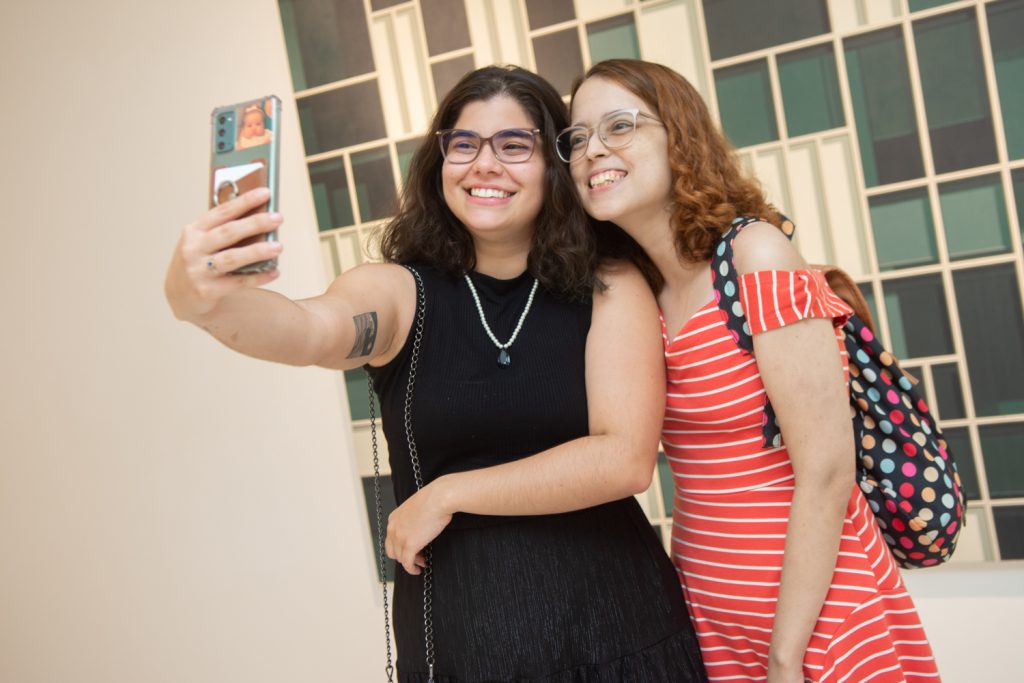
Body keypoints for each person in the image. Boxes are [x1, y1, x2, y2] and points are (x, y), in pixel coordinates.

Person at [165, 65, 706, 682]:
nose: (484, 163)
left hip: (623, 634)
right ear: (439, 160)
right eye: (464, 143)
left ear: (554, 167)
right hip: (463, 647)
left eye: (514, 145)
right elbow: (309, 330)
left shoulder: (610, 283)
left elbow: (623, 460)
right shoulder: (397, 293)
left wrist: (449, 494)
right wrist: (203, 301)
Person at [562, 59, 940, 683]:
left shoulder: (754, 254)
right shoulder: (634, 294)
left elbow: (825, 469)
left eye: (620, 126)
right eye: (577, 138)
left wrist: (786, 654)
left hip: (815, 615)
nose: (592, 149)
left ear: (679, 136)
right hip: (711, 614)